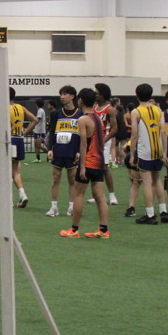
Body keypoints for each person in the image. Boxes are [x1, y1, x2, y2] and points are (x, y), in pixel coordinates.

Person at [60, 88, 110, 238]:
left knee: (78, 195)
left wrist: (82, 165)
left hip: (88, 161)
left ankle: (74, 229)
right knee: (99, 196)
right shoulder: (97, 118)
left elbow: (83, 143)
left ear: (80, 100)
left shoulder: (83, 119)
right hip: (99, 160)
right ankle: (103, 229)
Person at [128, 83, 168, 224]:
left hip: (145, 151)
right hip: (158, 149)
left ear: (136, 95)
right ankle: (163, 211)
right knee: (157, 180)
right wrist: (164, 152)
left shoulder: (136, 111)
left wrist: (132, 154)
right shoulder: (158, 110)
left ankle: (150, 214)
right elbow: (163, 131)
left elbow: (134, 134)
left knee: (147, 182)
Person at [46, 85, 82, 218]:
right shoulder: (56, 113)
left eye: (65, 94)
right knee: (55, 179)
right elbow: (52, 132)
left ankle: (71, 207)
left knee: (72, 180)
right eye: (61, 94)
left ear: (72, 96)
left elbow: (83, 135)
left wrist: (79, 151)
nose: (62, 97)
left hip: (72, 151)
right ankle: (54, 207)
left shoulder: (80, 114)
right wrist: (50, 148)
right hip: (58, 150)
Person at [7, 88, 39, 208]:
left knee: (6, 171)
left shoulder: (5, 108)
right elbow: (35, 120)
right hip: (19, 139)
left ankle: (9, 199)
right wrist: (25, 132)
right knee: (15, 171)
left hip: (9, 140)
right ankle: (22, 194)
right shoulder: (21, 107)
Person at [92, 83, 119, 205]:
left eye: (97, 93)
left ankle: (112, 195)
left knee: (104, 167)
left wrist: (104, 140)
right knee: (93, 167)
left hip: (105, 141)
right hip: (94, 141)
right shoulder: (94, 108)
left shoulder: (109, 109)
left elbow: (114, 128)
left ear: (103, 95)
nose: (95, 95)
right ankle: (97, 194)